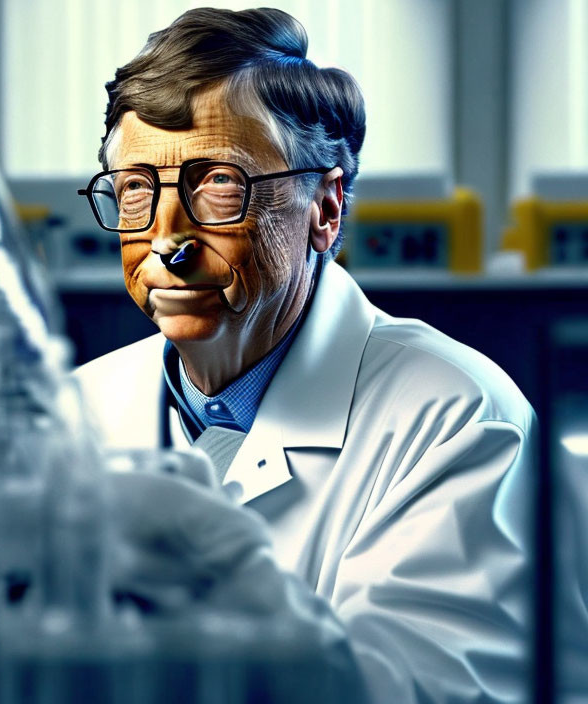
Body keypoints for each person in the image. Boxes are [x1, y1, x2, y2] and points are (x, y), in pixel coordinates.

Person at [74, 7, 536, 703]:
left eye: (219, 184)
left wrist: (223, 580)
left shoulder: (457, 417)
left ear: (325, 209)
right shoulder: (71, 411)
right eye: (138, 190)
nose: (167, 239)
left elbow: (429, 688)